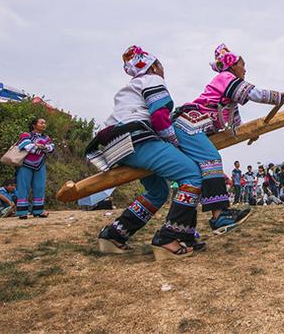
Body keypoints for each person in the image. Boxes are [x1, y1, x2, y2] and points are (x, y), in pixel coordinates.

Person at [88, 46, 205, 258]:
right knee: (192, 175)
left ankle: (114, 234)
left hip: (113, 145)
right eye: (161, 64)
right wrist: (175, 146)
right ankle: (169, 238)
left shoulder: (131, 87)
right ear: (155, 66)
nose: (163, 69)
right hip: (134, 139)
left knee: (158, 191)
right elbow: (160, 117)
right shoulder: (153, 80)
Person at [172, 44, 284, 232]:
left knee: (194, 174)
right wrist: (278, 97)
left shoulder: (230, 100)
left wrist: (252, 132)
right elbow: (254, 94)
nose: (245, 69)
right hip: (189, 125)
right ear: (233, 66)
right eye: (243, 65)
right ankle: (219, 216)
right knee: (212, 161)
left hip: (192, 128)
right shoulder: (225, 78)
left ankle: (183, 229)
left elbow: (235, 127)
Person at [15, 118, 54, 219]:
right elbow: (24, 146)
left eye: (44, 123)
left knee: (39, 187)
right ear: (34, 125)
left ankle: (38, 211)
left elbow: (51, 148)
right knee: (23, 187)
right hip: (25, 164)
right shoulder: (26, 135)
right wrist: (41, 147)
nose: (43, 125)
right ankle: (22, 212)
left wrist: (40, 147)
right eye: (41, 123)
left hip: (40, 164)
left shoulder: (46, 138)